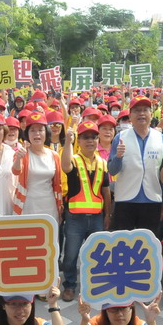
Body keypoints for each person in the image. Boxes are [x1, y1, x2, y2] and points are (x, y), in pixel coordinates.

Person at [59, 121, 111, 302]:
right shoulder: (73, 159)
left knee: (97, 254)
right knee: (71, 255)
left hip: (97, 218)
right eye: (85, 137)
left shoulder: (103, 163)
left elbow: (106, 191)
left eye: (93, 137)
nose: (90, 141)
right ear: (79, 141)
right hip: (75, 218)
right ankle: (70, 285)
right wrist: (67, 141)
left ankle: (95, 284)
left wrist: (108, 215)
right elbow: (64, 165)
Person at [108, 96, 163, 236]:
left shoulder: (161, 139)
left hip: (152, 199)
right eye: (136, 111)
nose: (141, 114)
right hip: (125, 199)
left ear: (151, 114)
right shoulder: (120, 137)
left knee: (148, 244)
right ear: (130, 115)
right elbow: (112, 170)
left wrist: (162, 201)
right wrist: (118, 157)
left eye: (145, 110)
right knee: (121, 243)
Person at [12, 112, 63, 222]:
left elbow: (58, 183)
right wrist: (18, 159)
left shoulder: (54, 155)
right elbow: (16, 171)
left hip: (49, 205)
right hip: (28, 205)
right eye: (33, 130)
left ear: (46, 132)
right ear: (27, 134)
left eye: (40, 130)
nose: (37, 134)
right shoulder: (22, 153)